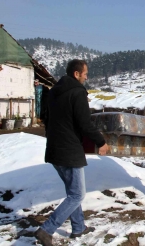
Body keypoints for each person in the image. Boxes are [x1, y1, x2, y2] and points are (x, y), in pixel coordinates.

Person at [34, 59, 110, 246]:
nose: (87, 76)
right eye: (85, 73)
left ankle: (78, 227)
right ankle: (46, 230)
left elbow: (47, 120)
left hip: (54, 149)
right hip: (69, 150)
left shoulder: (54, 92)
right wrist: (101, 142)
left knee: (72, 191)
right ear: (76, 74)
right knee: (77, 195)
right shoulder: (77, 92)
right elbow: (85, 124)